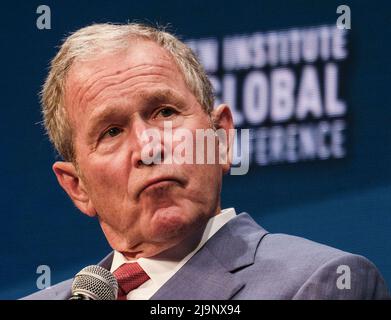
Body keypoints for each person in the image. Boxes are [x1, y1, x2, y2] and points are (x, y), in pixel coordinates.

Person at [24, 23, 389, 300]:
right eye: (111, 132)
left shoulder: (321, 282)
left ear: (222, 138)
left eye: (165, 112)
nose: (148, 147)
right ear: (77, 187)